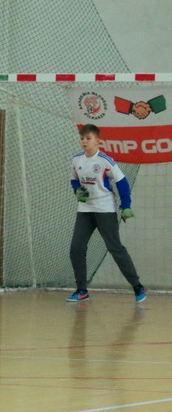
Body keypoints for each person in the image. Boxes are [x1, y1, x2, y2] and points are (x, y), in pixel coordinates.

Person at [67, 124, 146, 303]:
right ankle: (81, 290)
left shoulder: (105, 160)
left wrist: (126, 205)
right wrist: (77, 190)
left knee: (114, 247)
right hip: (85, 210)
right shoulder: (77, 159)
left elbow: (122, 181)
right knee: (76, 248)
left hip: (105, 209)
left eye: (88, 138)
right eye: (82, 138)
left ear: (98, 141)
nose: (84, 141)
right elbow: (74, 180)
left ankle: (137, 286)